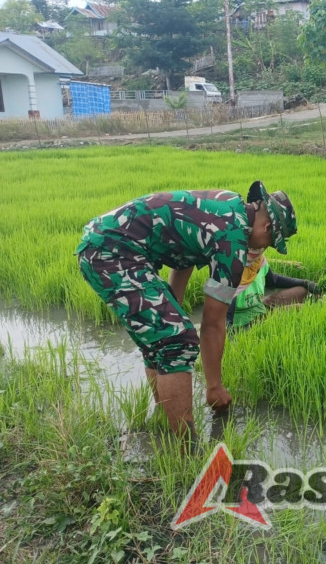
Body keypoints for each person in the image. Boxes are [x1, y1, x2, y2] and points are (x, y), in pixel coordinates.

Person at [76, 182, 297, 439]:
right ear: (267, 228)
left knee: (163, 338)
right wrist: (214, 387)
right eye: (270, 243)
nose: (263, 249)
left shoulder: (229, 204)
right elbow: (213, 323)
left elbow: (184, 252)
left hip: (106, 243)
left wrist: (173, 308)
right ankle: (186, 450)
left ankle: (164, 419)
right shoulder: (232, 243)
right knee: (178, 340)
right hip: (111, 254)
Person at [227, 190, 320, 330]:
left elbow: (273, 280)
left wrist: (305, 282)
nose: (263, 249)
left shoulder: (257, 258)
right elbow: (225, 324)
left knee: (303, 291)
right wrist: (264, 321)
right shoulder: (232, 265)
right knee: (297, 308)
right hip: (245, 323)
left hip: (259, 307)